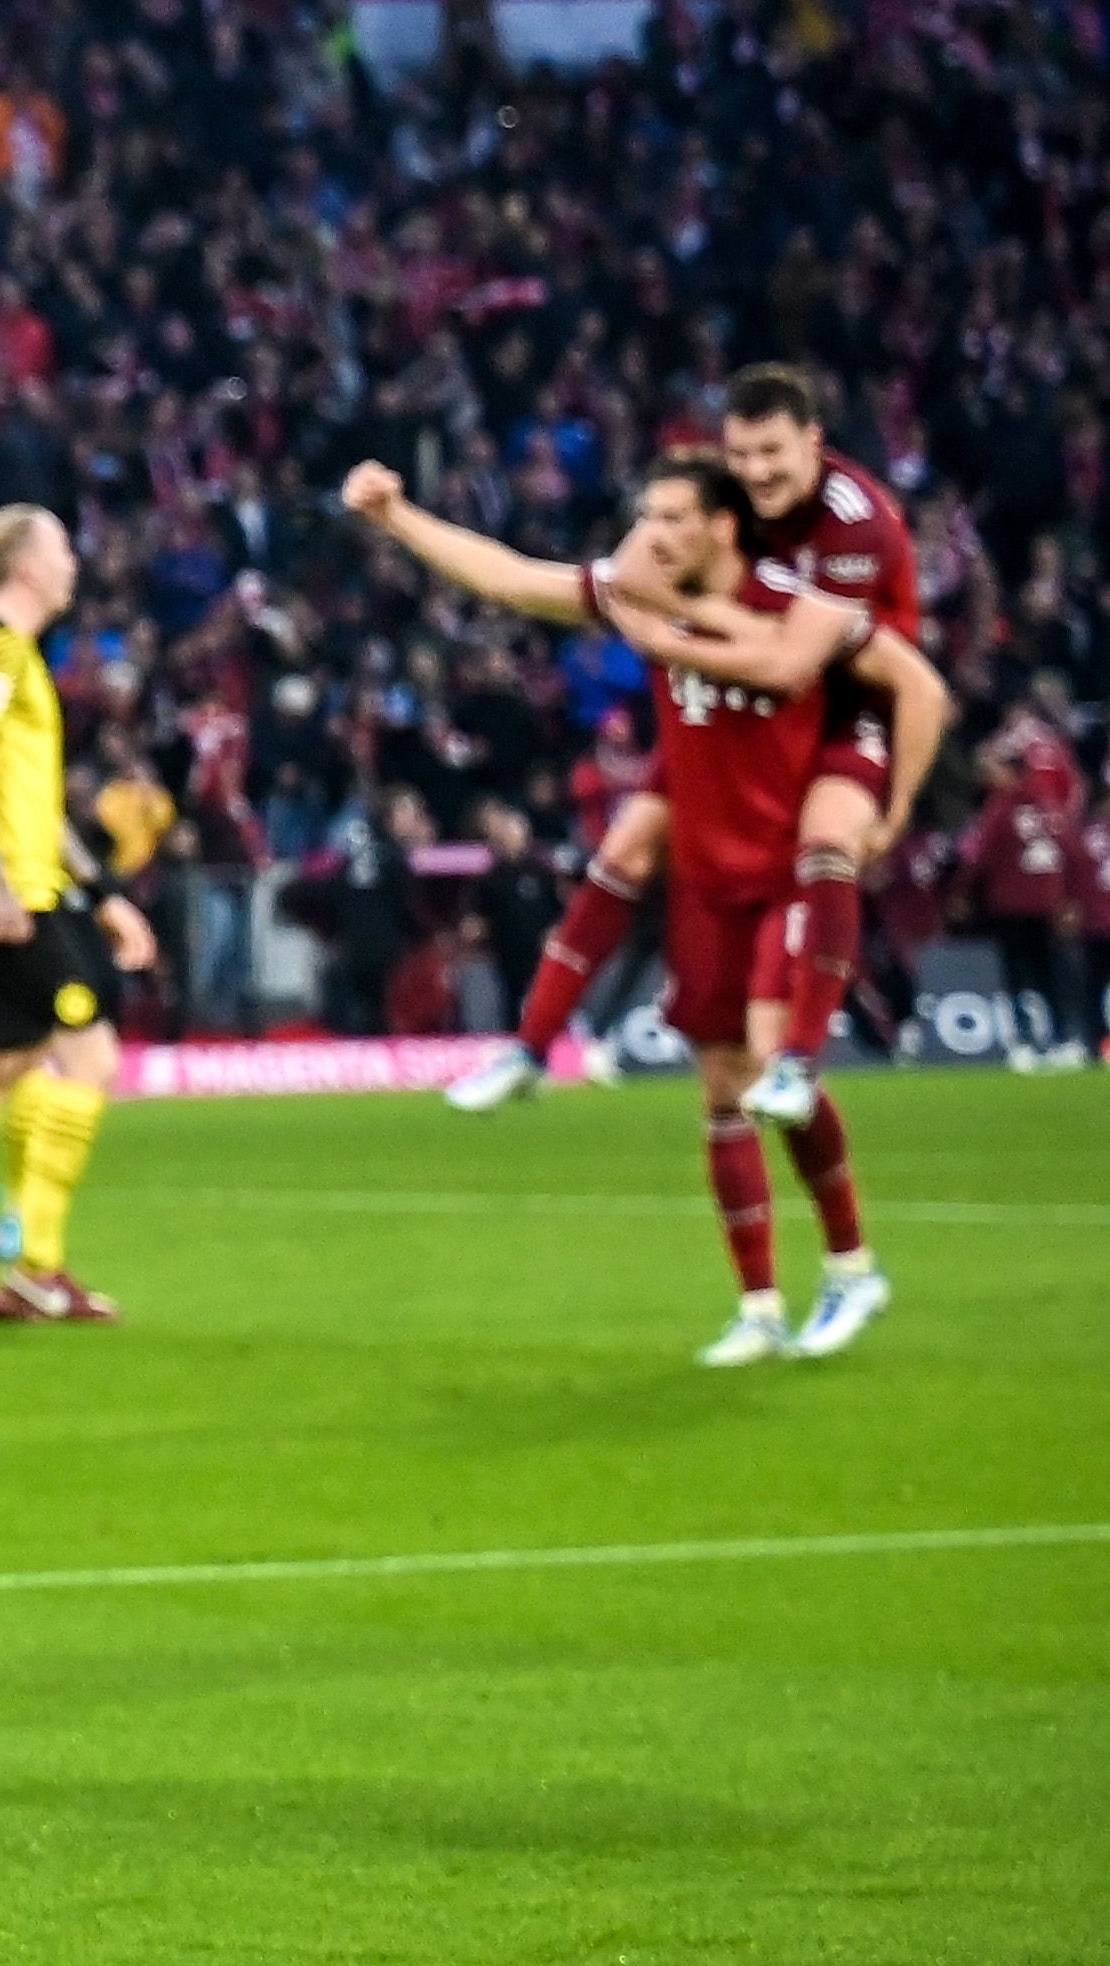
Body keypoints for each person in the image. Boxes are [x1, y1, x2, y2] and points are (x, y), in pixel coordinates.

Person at [341, 455, 948, 1363]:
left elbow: (915, 682)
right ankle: (757, 1309)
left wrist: (889, 811)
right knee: (723, 1091)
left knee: (780, 1072)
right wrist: (398, 519)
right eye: (647, 514)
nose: (651, 534)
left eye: (671, 517)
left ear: (722, 527)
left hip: (785, 866)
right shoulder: (641, 589)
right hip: (707, 870)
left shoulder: (801, 605)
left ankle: (853, 1267)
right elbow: (509, 577)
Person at [455, 364, 916, 1116]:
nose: (757, 472)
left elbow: (801, 661)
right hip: (735, 721)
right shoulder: (724, 509)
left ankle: (806, 1060)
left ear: (814, 443)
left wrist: (662, 639)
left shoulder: (852, 521)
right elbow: (534, 579)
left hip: (847, 702)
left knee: (826, 842)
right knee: (629, 846)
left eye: (774, 455)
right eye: (742, 456)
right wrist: (397, 519)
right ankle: (531, 1048)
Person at [0, 507, 158, 1325]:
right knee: (90, 1060)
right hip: (1, 898)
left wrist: (105, 893)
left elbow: (35, 805)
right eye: (61, 549)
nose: (74, 564)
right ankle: (40, 1267)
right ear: (25, 567)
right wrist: (2, 882)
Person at [966, 714, 1089, 1067]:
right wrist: (1071, 899)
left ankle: (1025, 1043)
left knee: (1018, 977)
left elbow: (979, 857)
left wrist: (961, 894)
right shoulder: (1050, 807)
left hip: (1010, 906)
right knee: (1052, 973)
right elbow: (1075, 855)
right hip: (1049, 904)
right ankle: (1066, 1039)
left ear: (1010, 772)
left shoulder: (1001, 809)